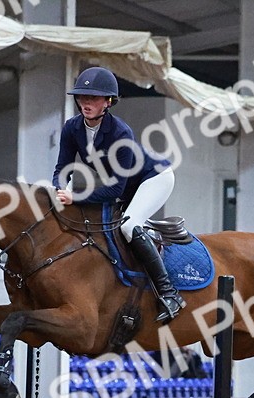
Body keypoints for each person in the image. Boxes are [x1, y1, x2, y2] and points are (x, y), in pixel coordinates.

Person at [52, 66, 185, 323]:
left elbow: (115, 190)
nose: (86, 103)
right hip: (127, 183)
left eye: (93, 98)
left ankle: (170, 294)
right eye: (82, 97)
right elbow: (63, 168)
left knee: (128, 226)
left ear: (108, 102)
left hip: (153, 178)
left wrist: (75, 198)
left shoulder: (119, 133)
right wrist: (61, 190)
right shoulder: (71, 128)